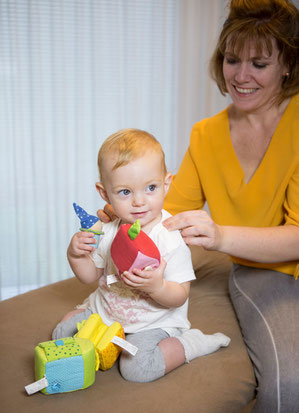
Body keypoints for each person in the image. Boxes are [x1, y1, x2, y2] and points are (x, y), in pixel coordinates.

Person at [99, 1, 299, 410]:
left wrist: (220, 233)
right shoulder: (206, 135)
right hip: (267, 273)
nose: (241, 76)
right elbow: (165, 213)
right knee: (289, 387)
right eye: (231, 60)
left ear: (288, 66)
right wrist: (126, 213)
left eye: (259, 63)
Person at [52, 128, 230, 383]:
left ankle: (192, 343)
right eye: (125, 192)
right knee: (61, 336)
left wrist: (156, 287)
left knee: (137, 369)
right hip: (107, 310)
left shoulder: (169, 236)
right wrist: (76, 255)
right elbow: (90, 276)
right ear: (105, 193)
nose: (139, 202)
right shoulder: (108, 229)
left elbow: (179, 296)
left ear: (166, 184)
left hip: (153, 321)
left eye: (150, 188)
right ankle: (99, 327)